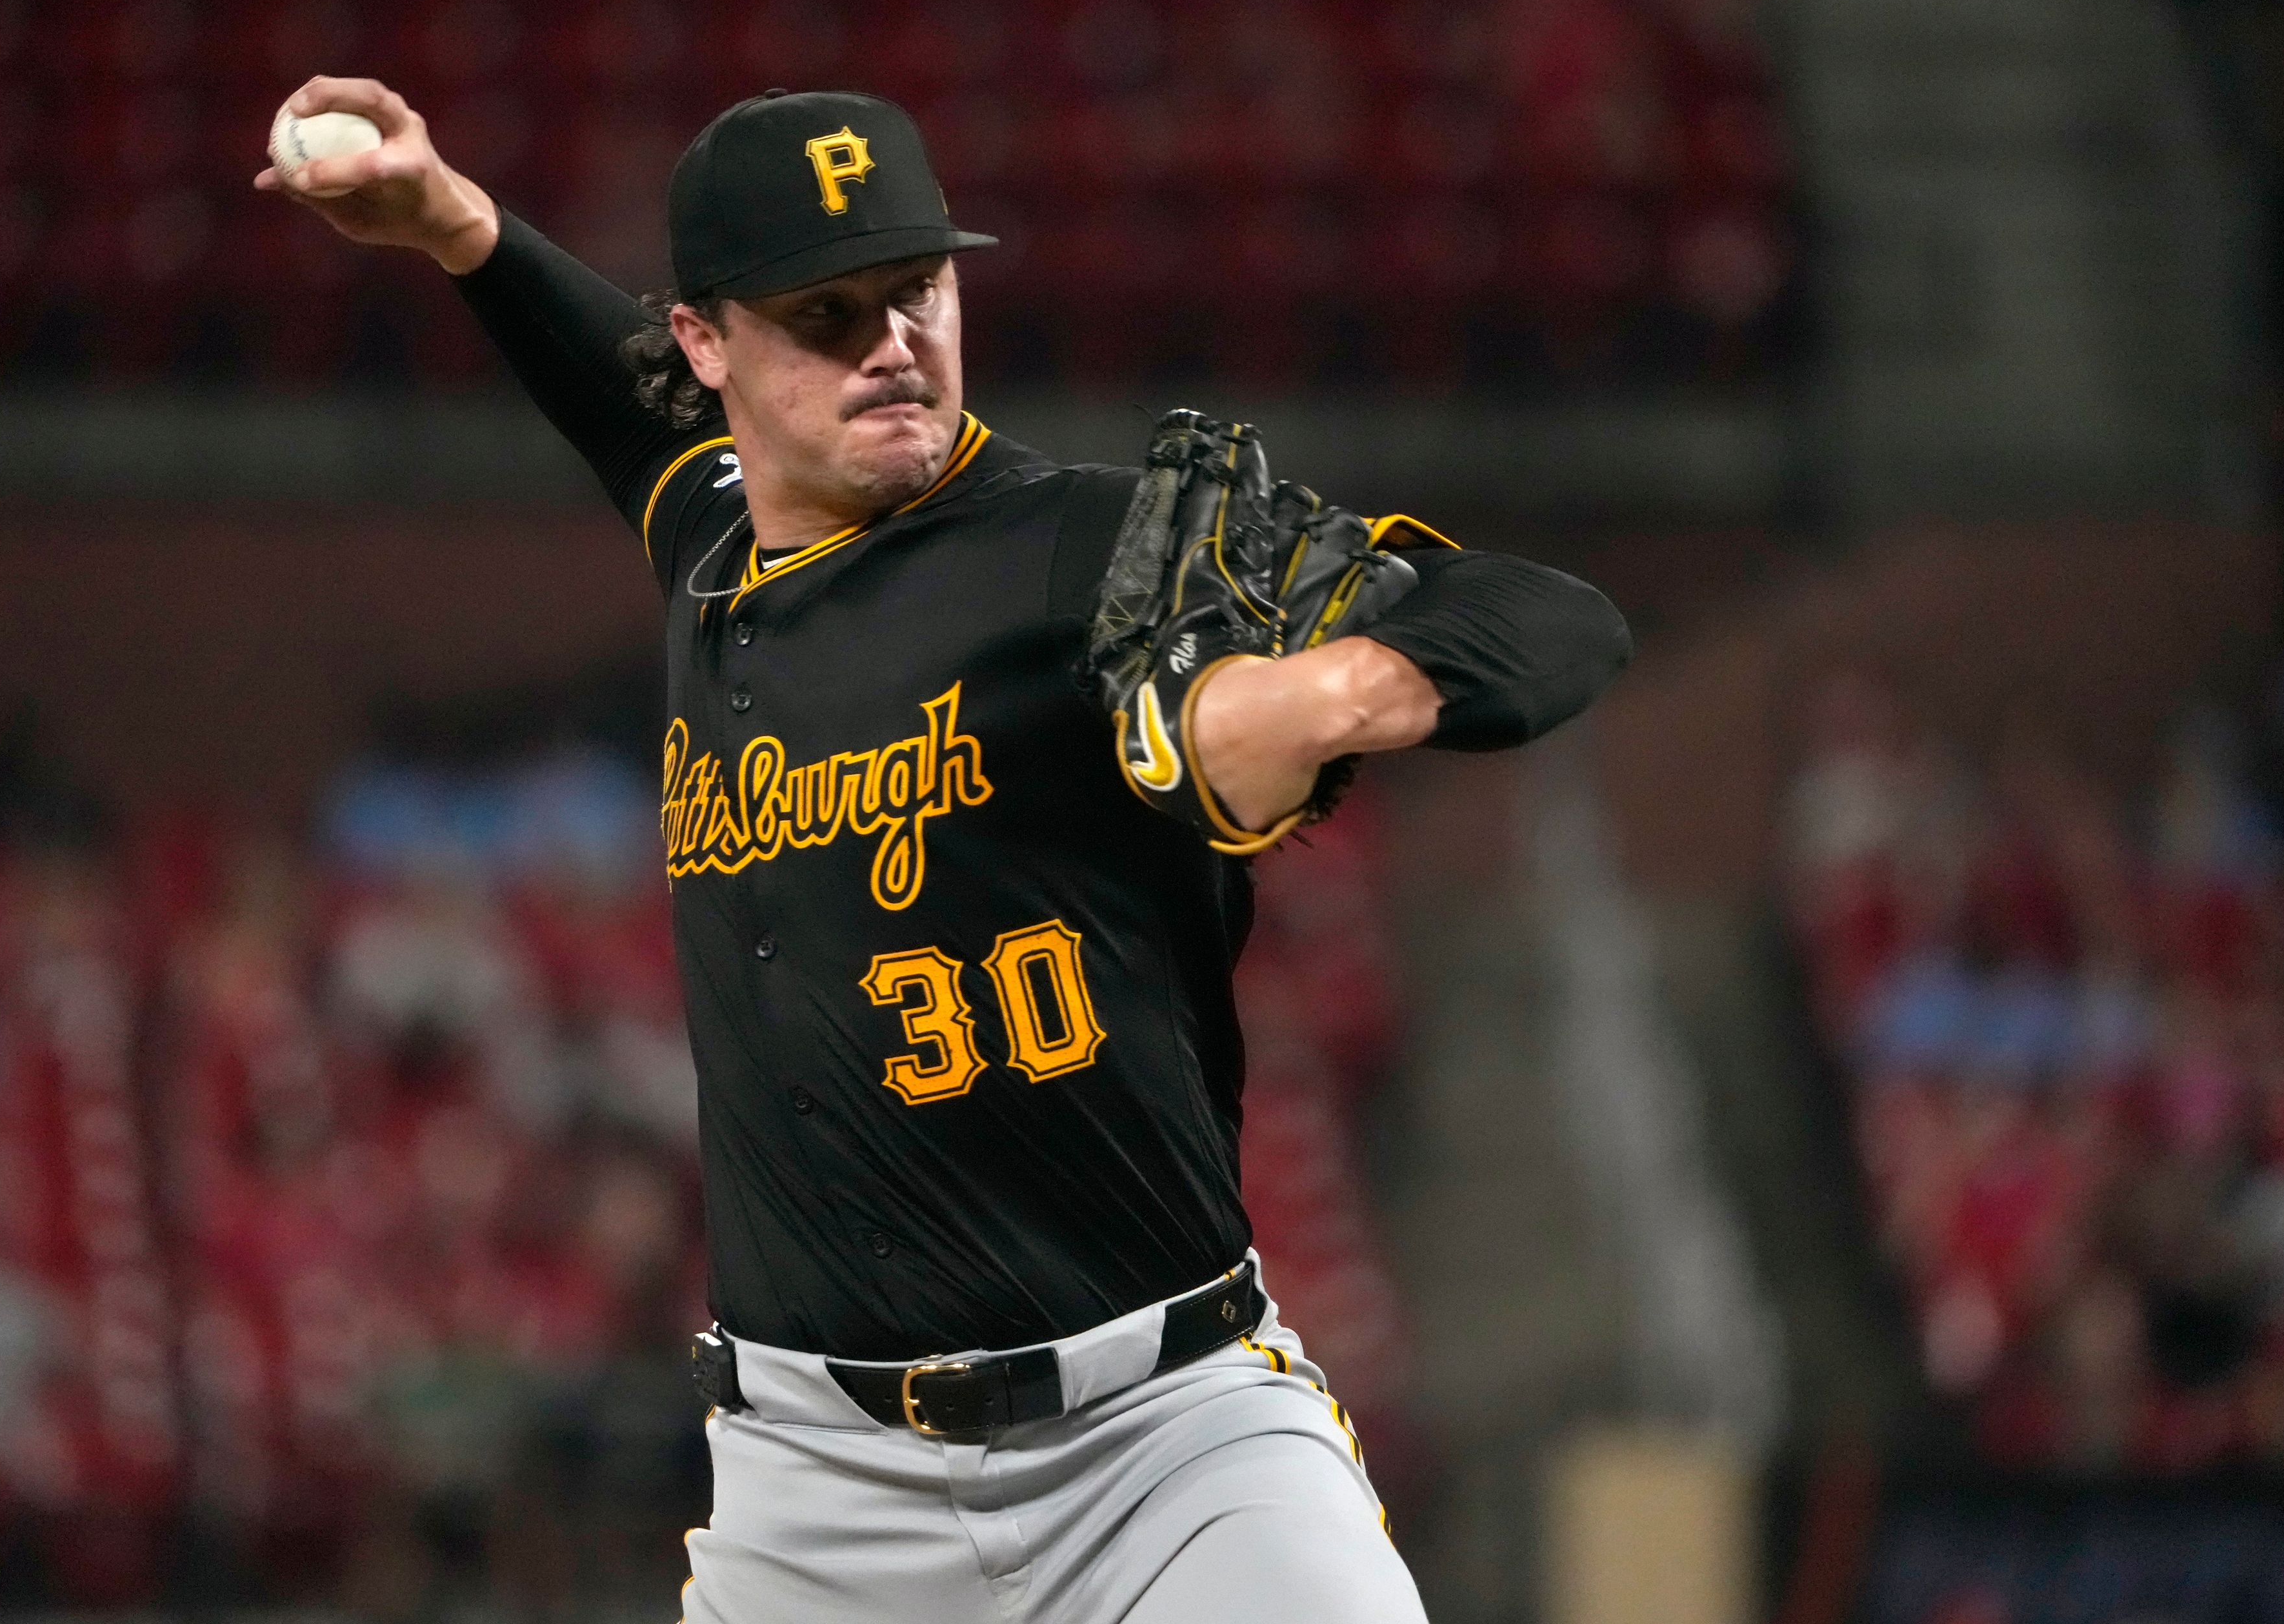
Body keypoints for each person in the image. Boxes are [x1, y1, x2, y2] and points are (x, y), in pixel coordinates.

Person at [257, 79, 1632, 1624]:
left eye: (915, 290)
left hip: (1164, 1440)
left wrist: (1329, 691)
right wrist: (455, 222)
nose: (888, 342)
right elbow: (609, 388)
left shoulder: (1084, 549)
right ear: (708, 348)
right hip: (813, 1490)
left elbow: (1558, 619)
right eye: (823, 312)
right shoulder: (712, 523)